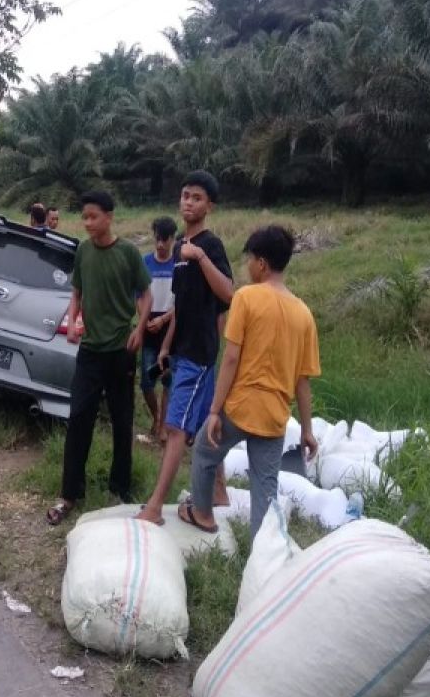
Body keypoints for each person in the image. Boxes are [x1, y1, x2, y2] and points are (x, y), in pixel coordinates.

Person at [185, 226, 321, 539]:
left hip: (240, 407)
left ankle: (202, 514)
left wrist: (215, 411)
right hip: (275, 417)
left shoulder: (247, 297)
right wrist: (307, 431)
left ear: (261, 263)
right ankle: (263, 553)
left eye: (250, 260)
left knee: (205, 453)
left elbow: (230, 359)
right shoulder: (304, 314)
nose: (247, 266)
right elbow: (303, 381)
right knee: (265, 486)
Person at [46, 191, 151, 526]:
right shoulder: (83, 252)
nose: (88, 223)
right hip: (90, 352)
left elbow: (145, 293)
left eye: (93, 217)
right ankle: (68, 494)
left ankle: (120, 489)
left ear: (109, 216)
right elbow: (76, 292)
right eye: (85, 217)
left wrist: (142, 328)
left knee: (122, 421)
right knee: (79, 419)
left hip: (121, 351)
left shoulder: (129, 253)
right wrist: (73, 321)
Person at [137, 171, 235, 526]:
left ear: (209, 205)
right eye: (184, 195)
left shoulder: (209, 245)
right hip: (182, 350)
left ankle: (154, 507)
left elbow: (228, 294)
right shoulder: (179, 245)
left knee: (176, 428)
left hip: (199, 354)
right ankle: (220, 490)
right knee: (208, 420)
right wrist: (165, 345)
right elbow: (180, 303)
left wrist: (200, 258)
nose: (188, 202)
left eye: (196, 197)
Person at [141, 217, 178, 441]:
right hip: (148, 325)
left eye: (165, 240)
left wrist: (163, 320)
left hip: (170, 326)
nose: (161, 244)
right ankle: (156, 416)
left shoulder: (178, 265)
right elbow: (139, 294)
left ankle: (163, 426)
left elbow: (181, 302)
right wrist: (144, 319)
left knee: (167, 379)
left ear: (173, 239)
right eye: (158, 239)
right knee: (147, 379)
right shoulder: (145, 262)